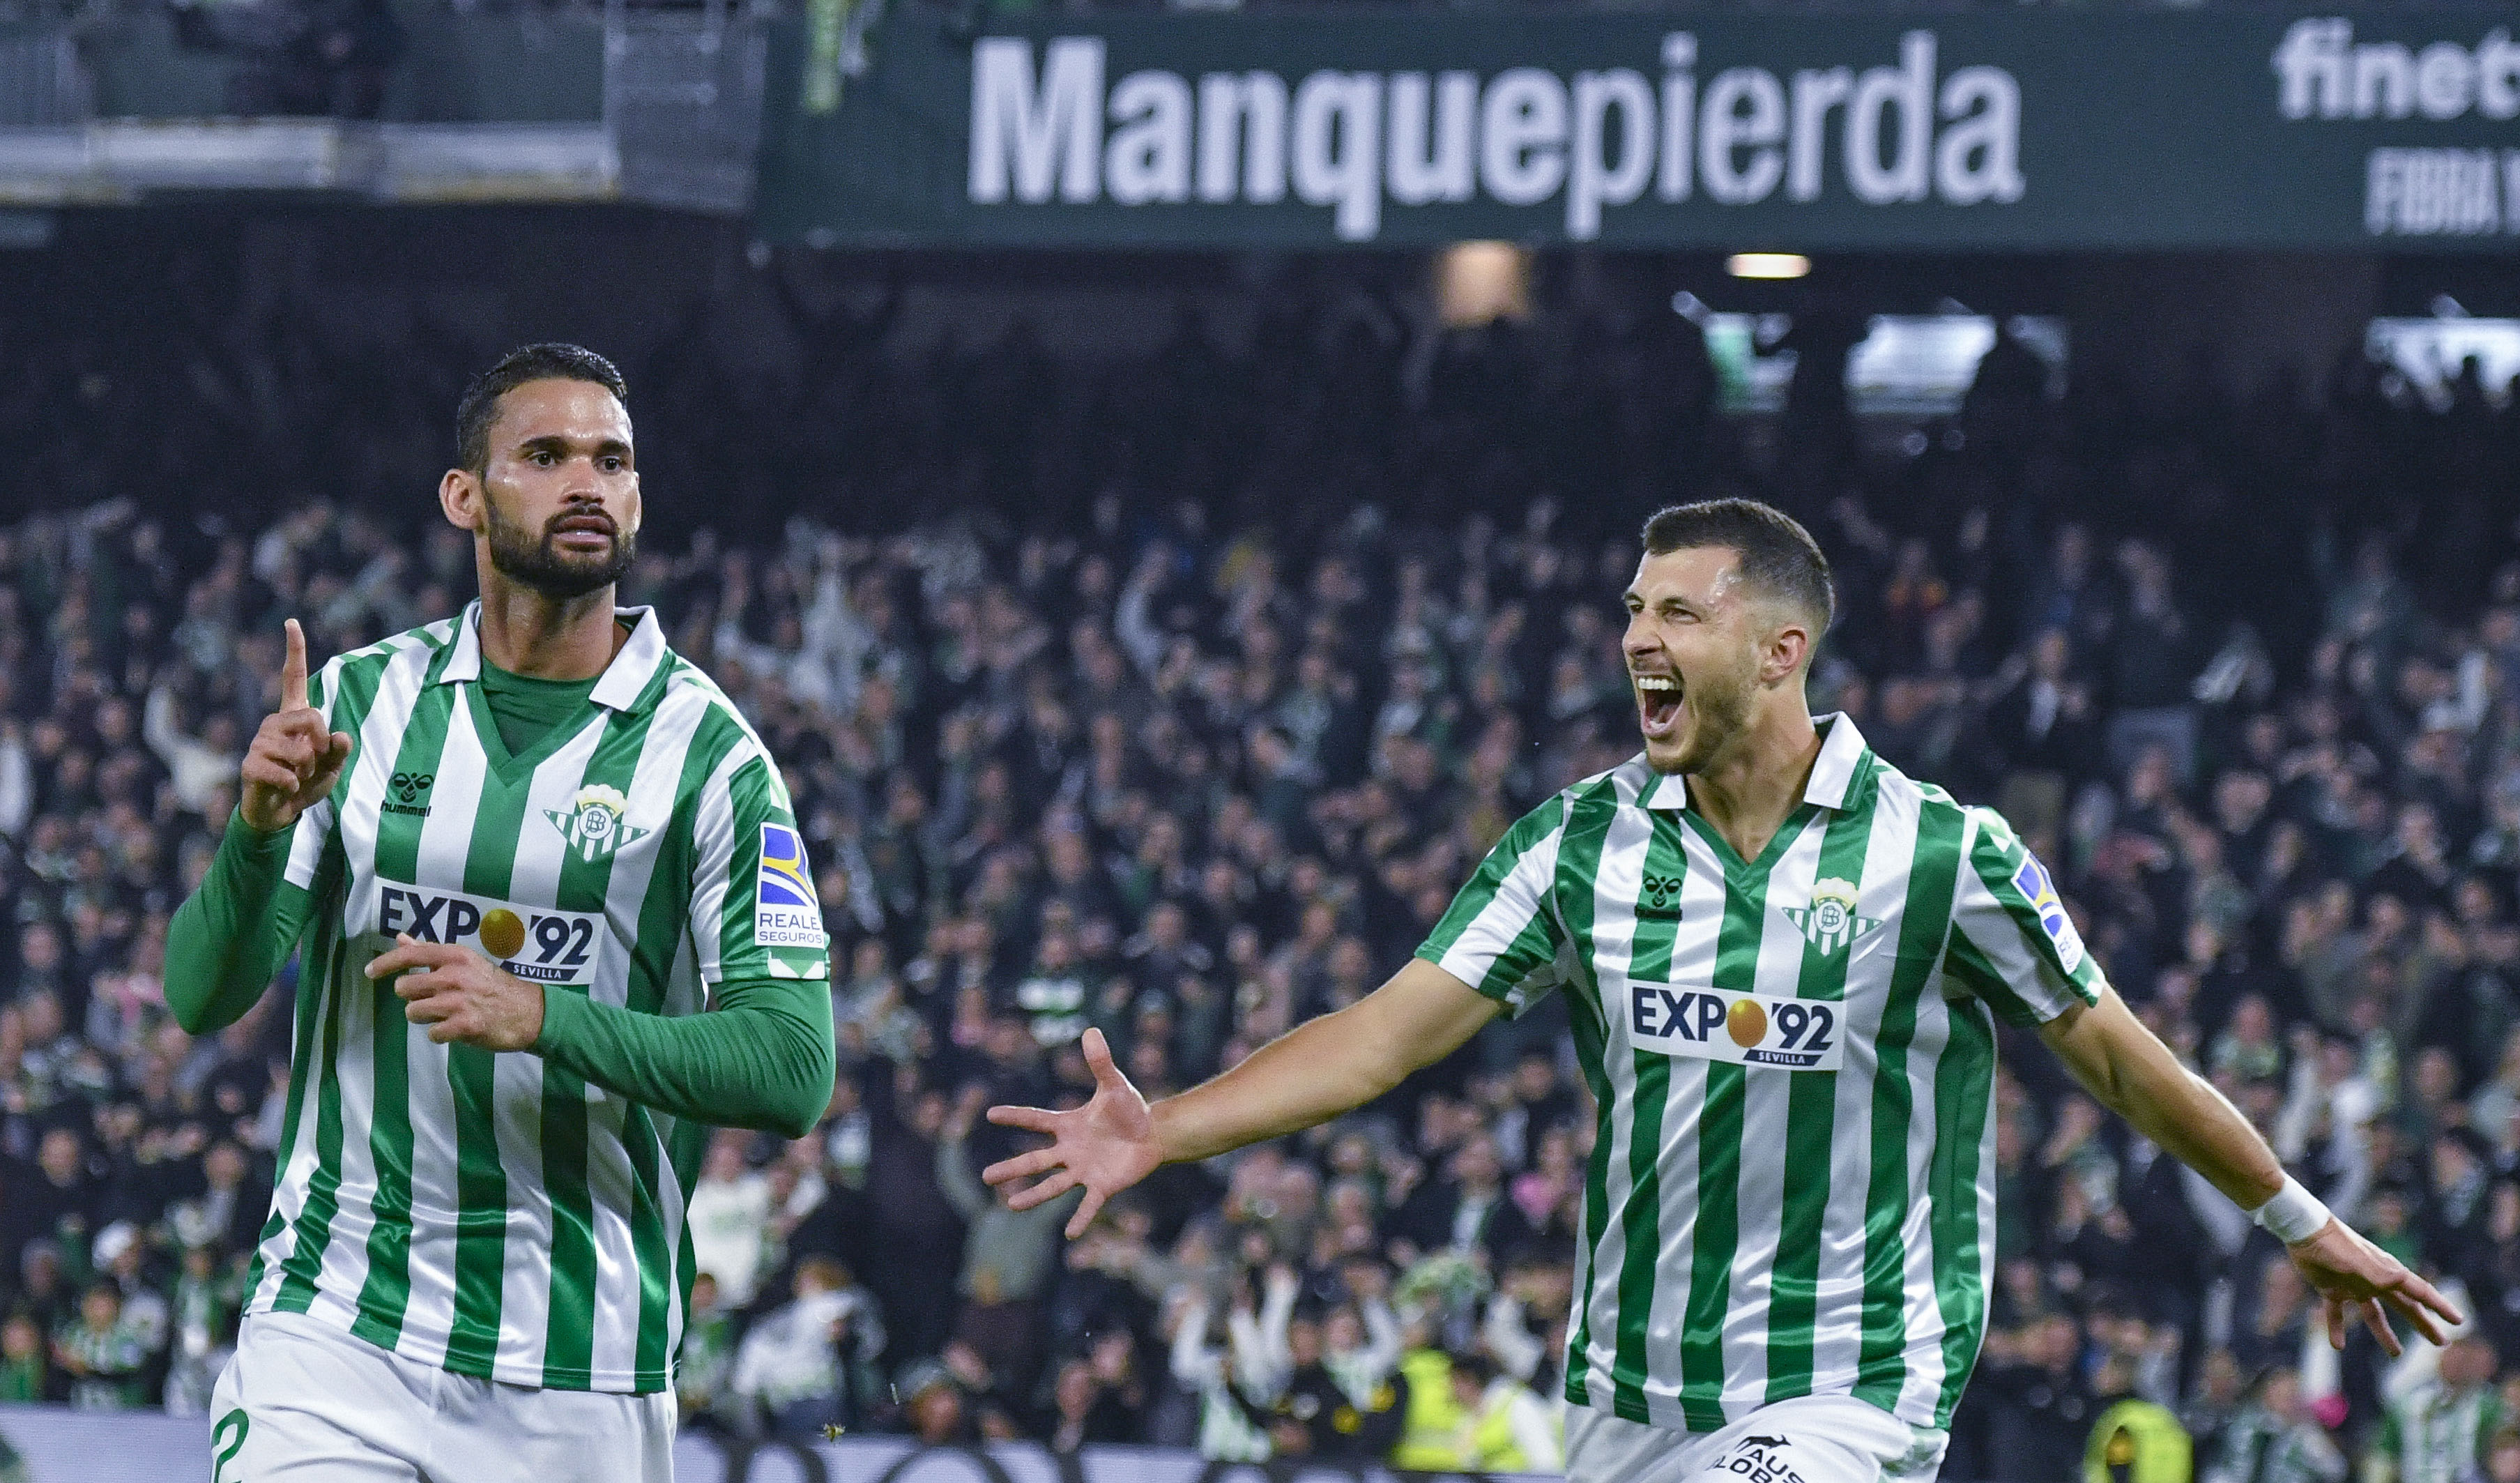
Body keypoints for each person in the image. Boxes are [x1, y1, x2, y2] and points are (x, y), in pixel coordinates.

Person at [983, 499, 2461, 1483]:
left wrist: (2300, 1222)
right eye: (1633, 607)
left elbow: (2120, 1058)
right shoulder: (1577, 843)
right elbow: (1379, 1035)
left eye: (1677, 612)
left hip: (1850, 1374)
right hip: (1626, 1389)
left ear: (1777, 647)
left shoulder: (1940, 853)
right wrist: (1167, 1125)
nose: (1637, 636)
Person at [165, 344, 838, 1482]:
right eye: (546, 455)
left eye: (612, 461)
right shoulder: (358, 707)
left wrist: (545, 1018)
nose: (589, 482)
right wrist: (258, 831)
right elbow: (201, 993)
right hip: (338, 1328)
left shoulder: (714, 761)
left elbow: (793, 1068)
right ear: (464, 496)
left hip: (576, 1365)